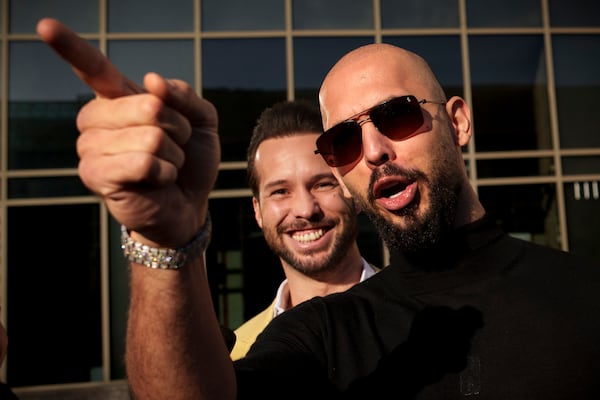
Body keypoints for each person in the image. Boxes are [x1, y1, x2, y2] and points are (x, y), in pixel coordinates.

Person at [37, 18, 600, 400]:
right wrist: (162, 238)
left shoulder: (582, 291)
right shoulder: (323, 332)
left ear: (458, 123)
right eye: (345, 143)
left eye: (398, 116)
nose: (375, 151)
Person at [230, 100, 378, 360]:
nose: (305, 210)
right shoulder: (237, 357)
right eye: (280, 192)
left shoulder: (421, 316)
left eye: (322, 184)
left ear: (353, 194)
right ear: (258, 211)